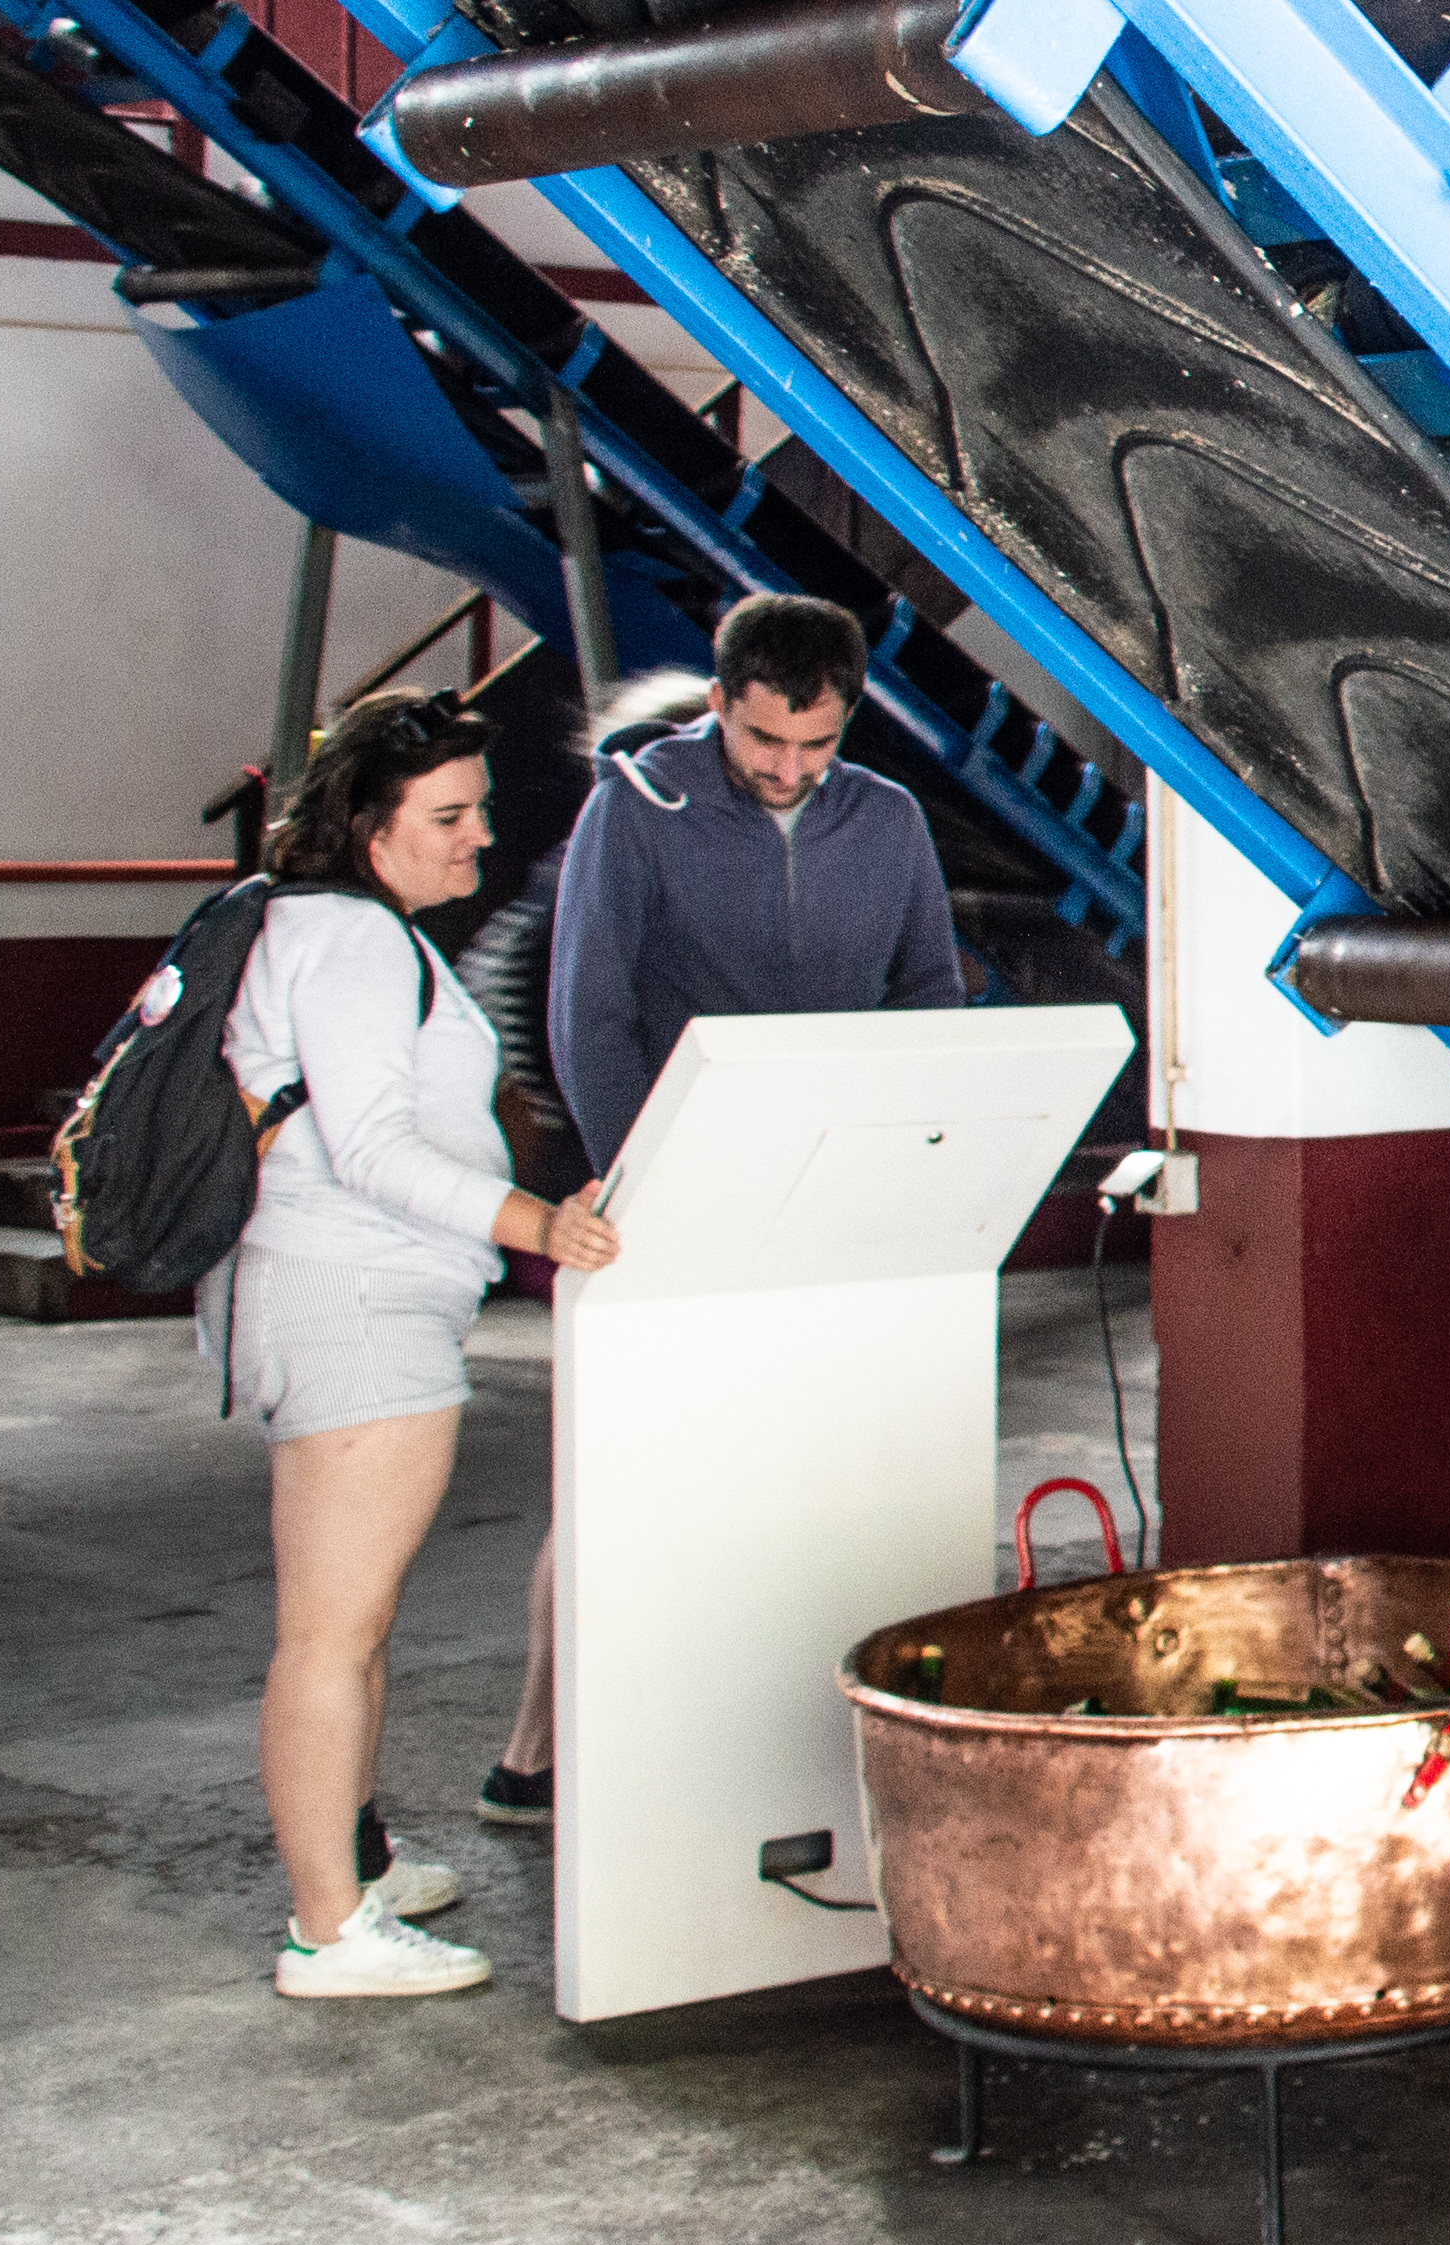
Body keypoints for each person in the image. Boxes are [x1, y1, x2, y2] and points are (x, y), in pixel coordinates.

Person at [484, 591, 965, 1823]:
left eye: (817, 746)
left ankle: (745, 1745)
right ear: (718, 706)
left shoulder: (891, 821)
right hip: (668, 1204)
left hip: (835, 1208)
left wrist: (911, 1162)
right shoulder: (635, 813)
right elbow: (587, 1014)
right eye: (764, 744)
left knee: (800, 1482)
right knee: (621, 1479)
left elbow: (927, 995)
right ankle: (531, 1756)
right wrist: (648, 1184)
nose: (790, 771)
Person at [214, 686, 624, 2002]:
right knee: (328, 1633)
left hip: (357, 1301)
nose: (477, 840)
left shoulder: (351, 933)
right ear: (366, 825)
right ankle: (327, 1931)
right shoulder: (348, 943)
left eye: (482, 810)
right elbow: (373, 1148)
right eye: (447, 817)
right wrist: (535, 1225)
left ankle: (354, 1868)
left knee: (357, 1621)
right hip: (351, 1305)